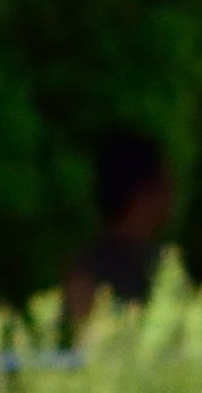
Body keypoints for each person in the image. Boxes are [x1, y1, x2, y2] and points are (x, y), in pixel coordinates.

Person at [61, 130, 175, 333]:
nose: (171, 193)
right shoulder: (89, 272)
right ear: (141, 194)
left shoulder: (164, 263)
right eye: (164, 183)